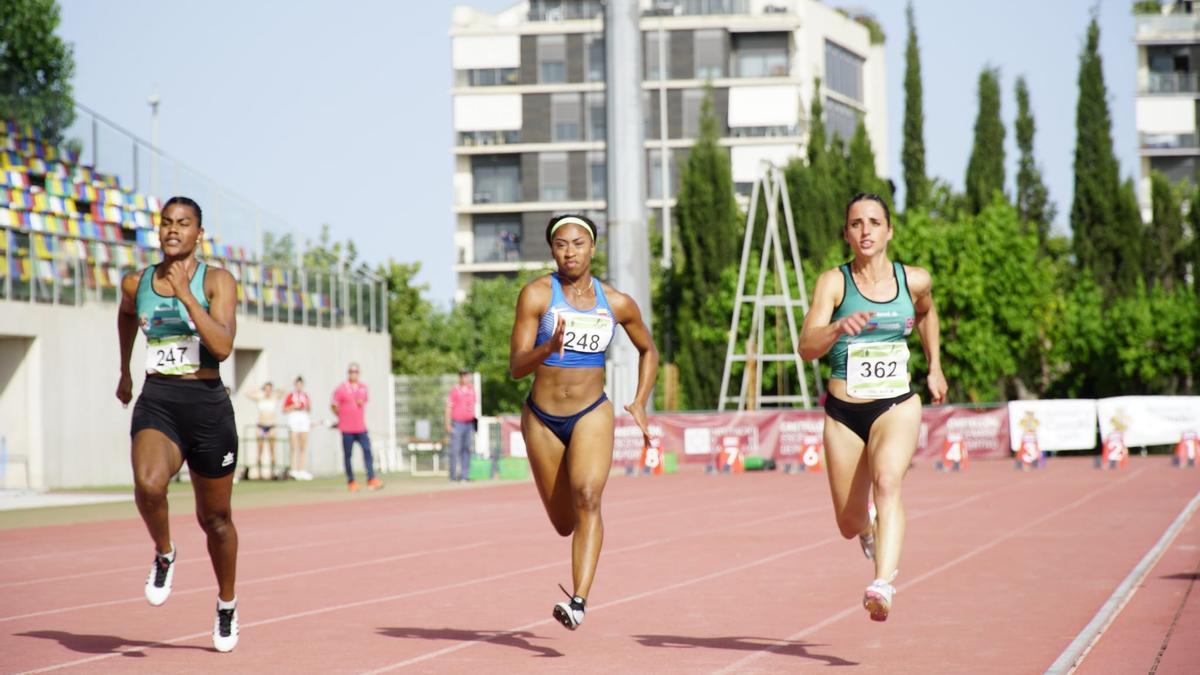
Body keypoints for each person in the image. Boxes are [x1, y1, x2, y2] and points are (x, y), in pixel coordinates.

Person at [798, 193, 947, 623]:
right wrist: (836, 327)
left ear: (889, 231)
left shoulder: (914, 280)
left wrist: (934, 366)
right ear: (846, 233)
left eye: (874, 223)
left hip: (896, 403)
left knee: (887, 482)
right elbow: (806, 347)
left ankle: (882, 583)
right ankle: (867, 531)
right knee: (847, 522)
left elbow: (926, 313)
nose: (865, 231)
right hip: (844, 412)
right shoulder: (834, 283)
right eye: (857, 223)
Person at [509, 213, 658, 630]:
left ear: (592, 248)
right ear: (552, 250)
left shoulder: (617, 302)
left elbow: (650, 350)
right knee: (564, 523)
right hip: (541, 420)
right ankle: (580, 537)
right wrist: (548, 347)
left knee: (589, 496)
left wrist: (641, 400)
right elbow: (517, 366)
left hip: (592, 412)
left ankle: (578, 601)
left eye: (578, 244)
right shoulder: (537, 296)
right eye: (561, 245)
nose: (569, 252)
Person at [115, 196, 242, 652]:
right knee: (149, 485)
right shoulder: (137, 282)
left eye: (183, 224)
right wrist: (125, 369)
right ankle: (165, 552)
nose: (173, 230)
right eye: (166, 222)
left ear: (198, 234)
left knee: (217, 519)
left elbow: (224, 346)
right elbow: (127, 315)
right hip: (160, 400)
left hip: (207, 405)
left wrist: (188, 293)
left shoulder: (219, 281)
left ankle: (227, 604)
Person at [332, 362, 382, 491]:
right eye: (351, 371)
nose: (353, 374)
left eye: (356, 371)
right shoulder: (341, 388)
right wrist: (340, 416)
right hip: (347, 428)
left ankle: (371, 478)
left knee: (367, 451)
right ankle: (351, 481)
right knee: (348, 455)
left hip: (360, 427)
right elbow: (333, 405)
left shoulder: (363, 387)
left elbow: (363, 401)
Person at [445, 368, 477, 482]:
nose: (465, 378)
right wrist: (447, 423)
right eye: (463, 376)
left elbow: (473, 406)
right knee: (455, 449)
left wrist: (474, 423)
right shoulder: (455, 390)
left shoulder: (472, 389)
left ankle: (465, 475)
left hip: (469, 424)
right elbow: (449, 407)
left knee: (467, 449)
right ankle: (453, 475)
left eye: (467, 375)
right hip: (457, 423)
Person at [245, 382, 281, 479]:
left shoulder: (274, 398)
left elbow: (283, 391)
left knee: (272, 451)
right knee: (259, 451)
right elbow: (247, 393)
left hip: (271, 426)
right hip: (261, 426)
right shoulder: (260, 398)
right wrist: (258, 390)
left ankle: (273, 473)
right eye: (266, 389)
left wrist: (273, 392)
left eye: (269, 389)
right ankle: (259, 474)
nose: (267, 391)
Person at [283, 376, 313, 480]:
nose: (299, 386)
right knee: (293, 445)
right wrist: (293, 406)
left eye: (300, 384)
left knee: (303, 446)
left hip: (303, 418)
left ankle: (302, 469)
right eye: (297, 384)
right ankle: (294, 469)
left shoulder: (305, 395)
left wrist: (306, 406)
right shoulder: (291, 395)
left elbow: (309, 409)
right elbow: (284, 409)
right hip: (294, 417)